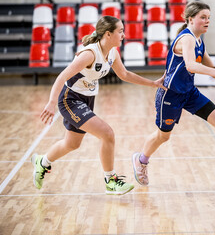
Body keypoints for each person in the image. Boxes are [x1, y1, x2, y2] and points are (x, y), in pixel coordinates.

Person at [32, 16, 166, 195]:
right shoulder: (89, 54)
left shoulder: (112, 53)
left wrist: (153, 84)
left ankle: (42, 162)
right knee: (107, 133)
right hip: (70, 99)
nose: (124, 35)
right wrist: (50, 102)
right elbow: (62, 76)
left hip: (87, 98)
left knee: (71, 144)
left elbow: (124, 74)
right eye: (120, 31)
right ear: (108, 34)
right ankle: (110, 181)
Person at [131, 1, 215, 186]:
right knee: (163, 136)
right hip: (170, 94)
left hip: (189, 93)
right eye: (203, 17)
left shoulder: (199, 41)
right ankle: (141, 160)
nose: (207, 21)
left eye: (209, 18)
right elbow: (191, 65)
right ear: (190, 19)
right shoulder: (186, 38)